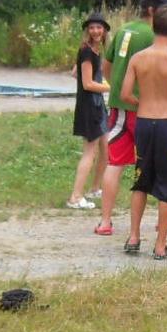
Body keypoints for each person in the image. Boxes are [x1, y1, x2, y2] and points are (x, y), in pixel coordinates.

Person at [96, 0, 167, 235]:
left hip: (119, 106)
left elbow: (106, 66)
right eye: (164, 8)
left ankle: (105, 221)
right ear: (151, 10)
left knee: (115, 162)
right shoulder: (153, 34)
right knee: (160, 162)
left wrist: (117, 87)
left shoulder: (124, 29)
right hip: (147, 111)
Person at [120, 7, 167, 259]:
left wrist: (143, 102)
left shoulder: (138, 58)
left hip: (145, 122)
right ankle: (160, 245)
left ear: (153, 27)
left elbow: (125, 94)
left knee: (141, 179)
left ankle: (133, 236)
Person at [67, 12, 111, 210]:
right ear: (87, 30)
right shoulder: (86, 51)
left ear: (104, 30)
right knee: (89, 153)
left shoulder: (94, 51)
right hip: (89, 108)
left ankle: (95, 188)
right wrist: (110, 88)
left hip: (97, 105)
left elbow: (74, 72)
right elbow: (87, 84)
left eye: (99, 27)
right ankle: (75, 197)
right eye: (92, 28)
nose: (95, 31)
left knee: (106, 148)